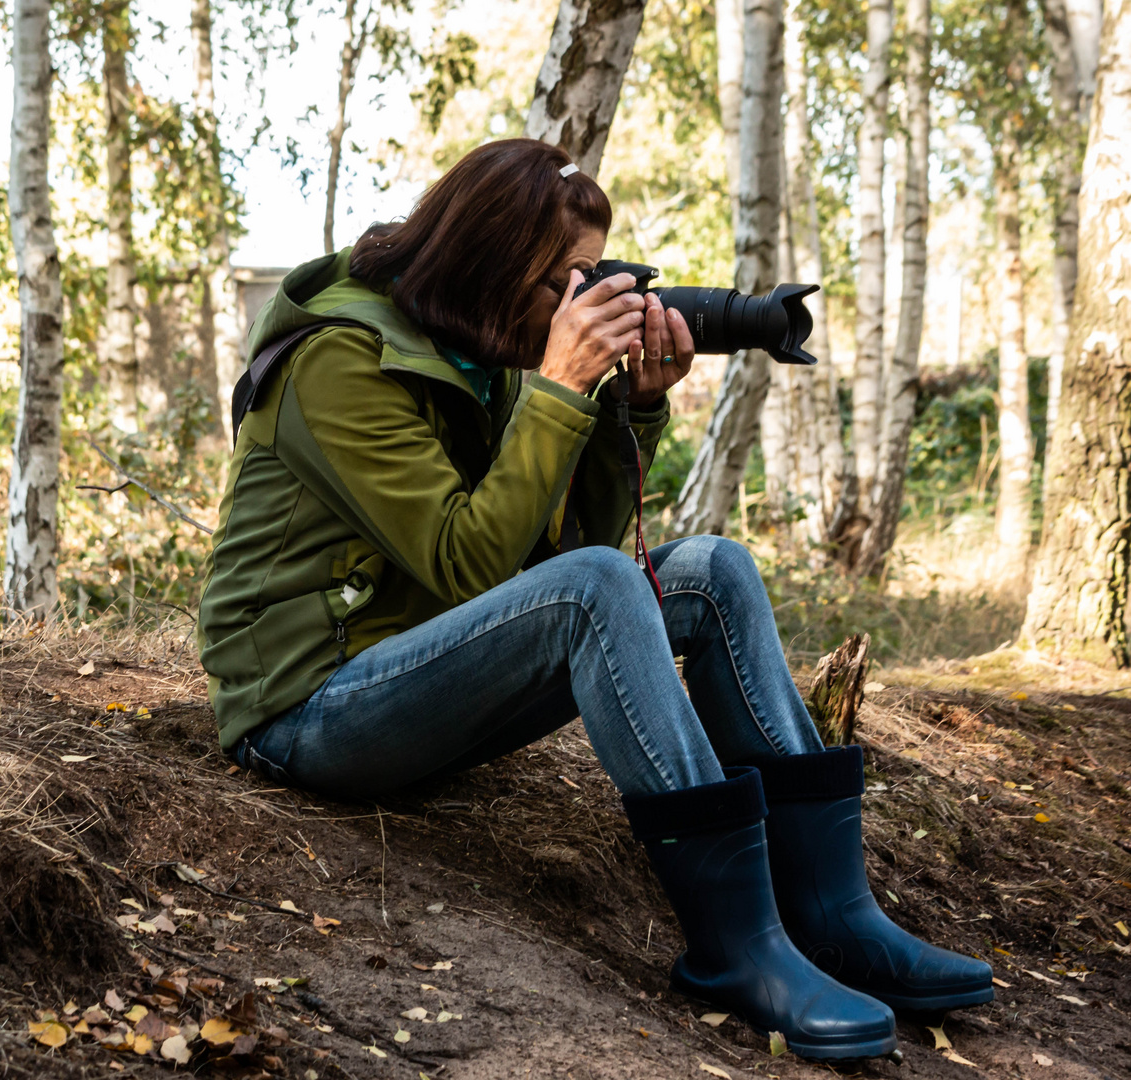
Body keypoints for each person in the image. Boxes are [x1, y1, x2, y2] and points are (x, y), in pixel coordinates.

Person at [197, 138, 991, 1060]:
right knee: (597, 593)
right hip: (309, 707)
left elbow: (568, 554)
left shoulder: (480, 344)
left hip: (424, 675)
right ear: (494, 264)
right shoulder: (338, 360)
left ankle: (832, 913)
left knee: (715, 568)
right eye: (565, 279)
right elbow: (476, 568)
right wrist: (560, 388)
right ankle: (739, 950)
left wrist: (632, 411)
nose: (582, 301)